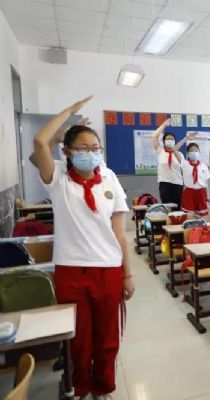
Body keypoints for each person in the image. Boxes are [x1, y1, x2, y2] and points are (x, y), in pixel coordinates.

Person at [31, 96, 134, 400]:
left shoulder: (110, 178)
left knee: (107, 337)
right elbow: (40, 142)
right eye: (83, 148)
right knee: (79, 338)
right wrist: (69, 113)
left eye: (95, 148)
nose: (91, 154)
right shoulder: (58, 178)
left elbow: (120, 234)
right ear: (67, 151)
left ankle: (103, 388)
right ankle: (81, 388)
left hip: (108, 269)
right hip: (71, 270)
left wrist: (127, 274)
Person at [151, 118, 186, 207]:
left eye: (172, 139)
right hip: (165, 184)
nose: (170, 141)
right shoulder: (160, 151)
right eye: (167, 139)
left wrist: (185, 184)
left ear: (174, 141)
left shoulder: (179, 154)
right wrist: (164, 125)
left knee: (178, 209)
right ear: (164, 142)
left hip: (178, 184)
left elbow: (183, 170)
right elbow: (154, 136)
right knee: (167, 209)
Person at [181, 140, 210, 216]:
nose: (194, 152)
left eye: (196, 150)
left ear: (199, 152)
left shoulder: (204, 166)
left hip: (201, 192)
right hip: (189, 192)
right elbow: (174, 150)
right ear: (187, 153)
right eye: (191, 150)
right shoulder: (184, 164)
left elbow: (206, 183)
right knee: (189, 215)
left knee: (201, 215)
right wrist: (186, 138)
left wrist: (208, 196)